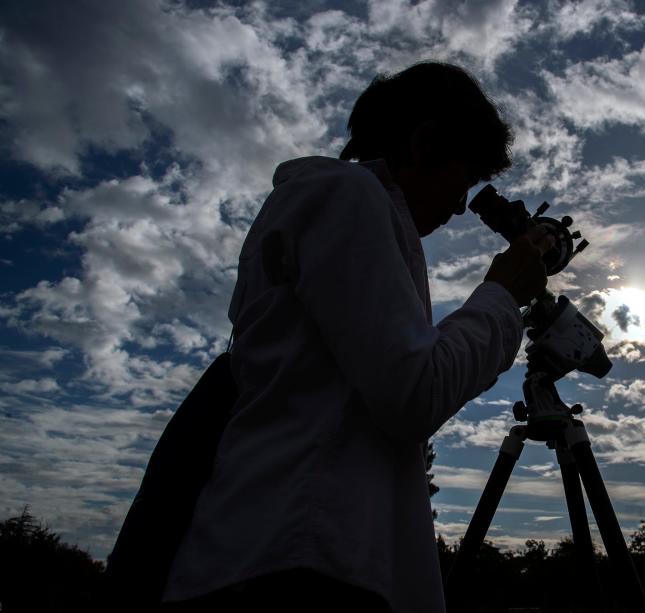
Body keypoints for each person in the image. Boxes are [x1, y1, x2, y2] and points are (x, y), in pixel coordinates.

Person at [161, 62, 553, 612]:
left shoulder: (341, 207)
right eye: (461, 181)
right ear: (425, 142)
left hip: (289, 552)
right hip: (300, 560)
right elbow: (413, 392)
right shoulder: (347, 195)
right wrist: (500, 296)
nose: (461, 205)